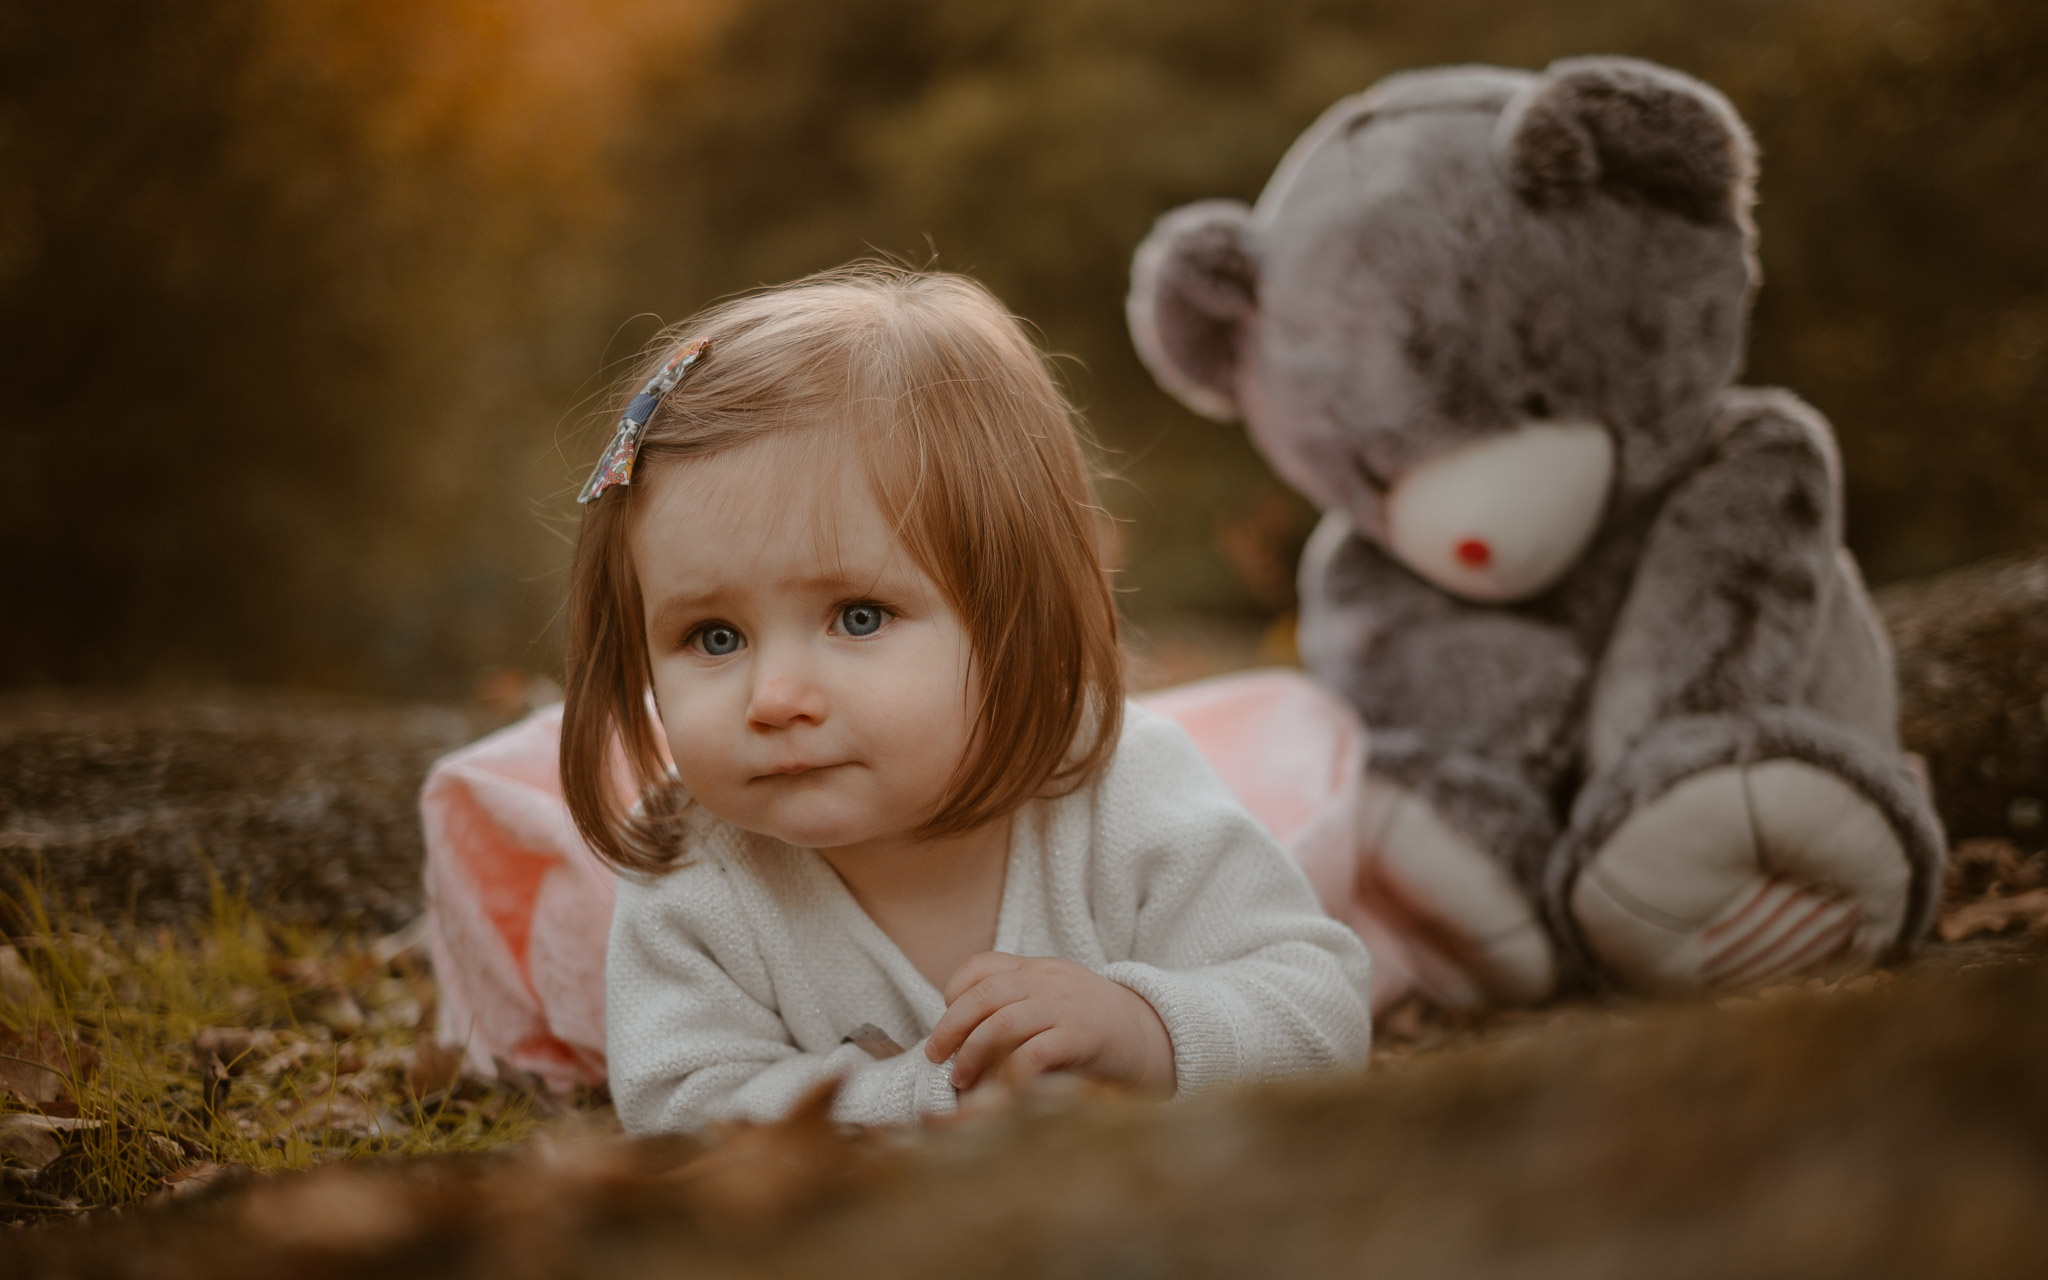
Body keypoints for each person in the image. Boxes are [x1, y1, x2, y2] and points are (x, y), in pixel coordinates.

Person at [535, 265, 1375, 1132]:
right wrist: (928, 1100)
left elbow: (1320, 1011)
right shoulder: (697, 879)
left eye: (858, 617)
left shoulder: (1122, 790)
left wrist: (1147, 1032)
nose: (775, 697)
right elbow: (683, 1114)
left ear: (1015, 616)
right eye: (714, 637)